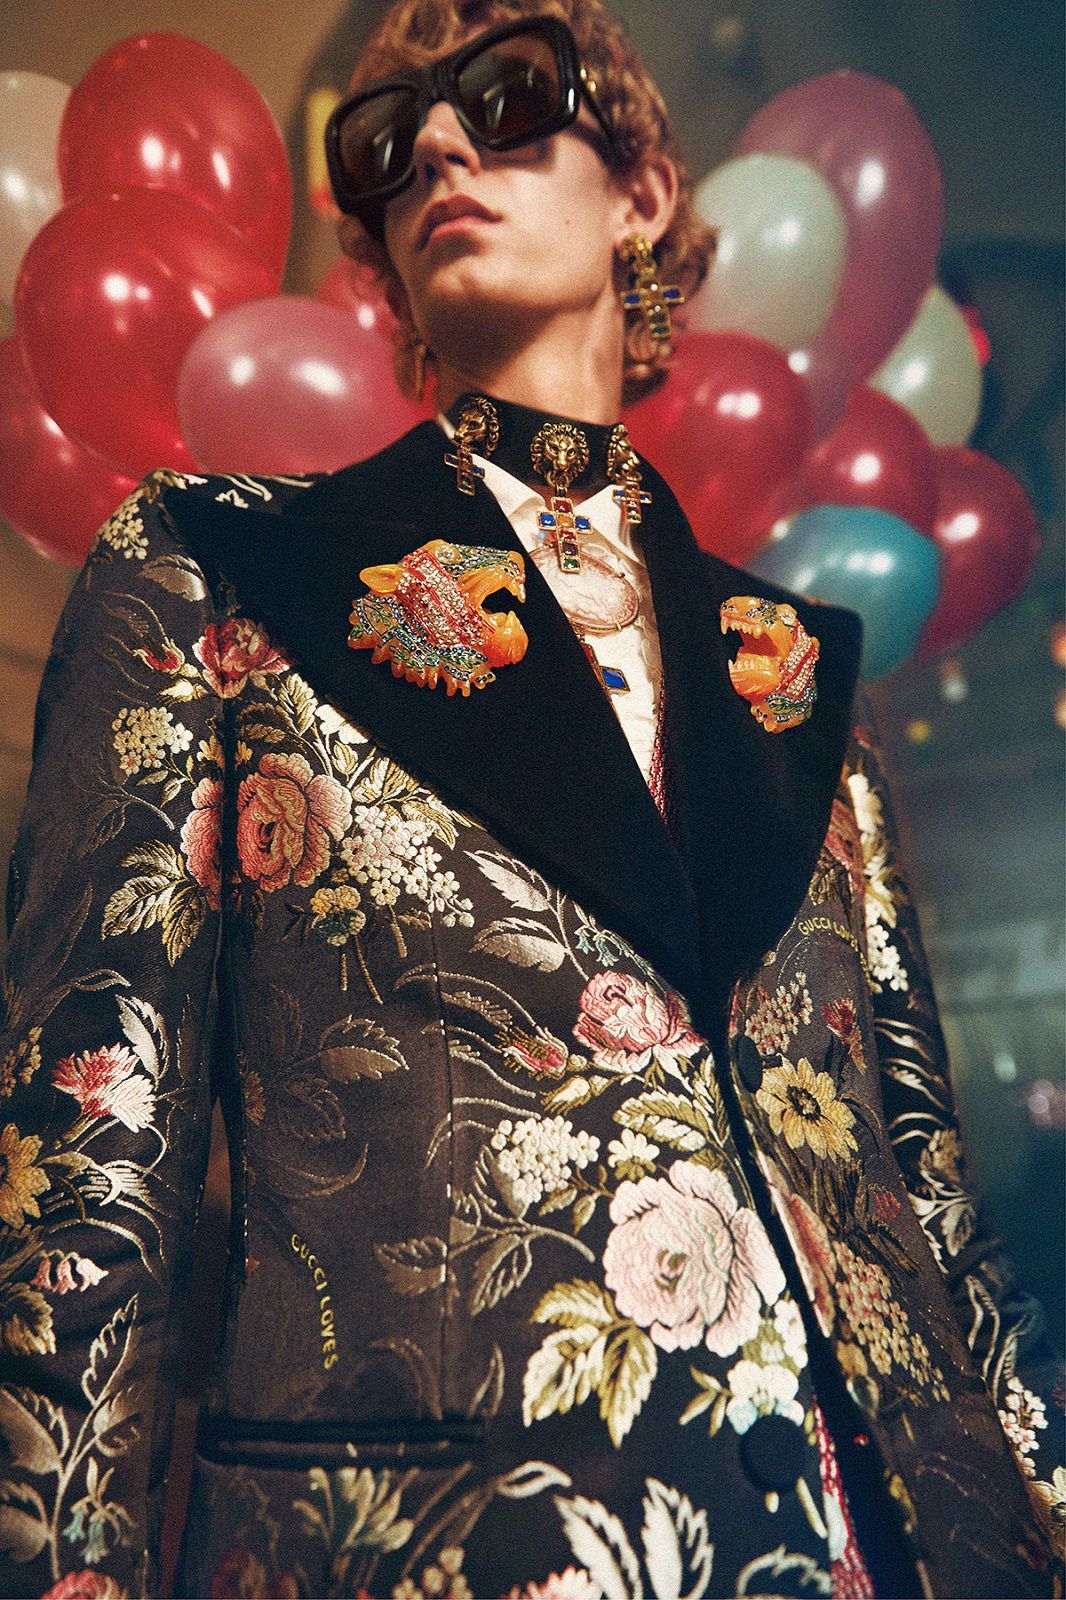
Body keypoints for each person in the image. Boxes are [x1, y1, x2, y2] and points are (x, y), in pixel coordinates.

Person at [0, 1, 1061, 1596]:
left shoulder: (797, 679)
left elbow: (927, 1201)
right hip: (449, 1547)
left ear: (642, 192)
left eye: (507, 100)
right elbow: (85, 1176)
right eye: (386, 142)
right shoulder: (215, 569)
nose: (436, 144)